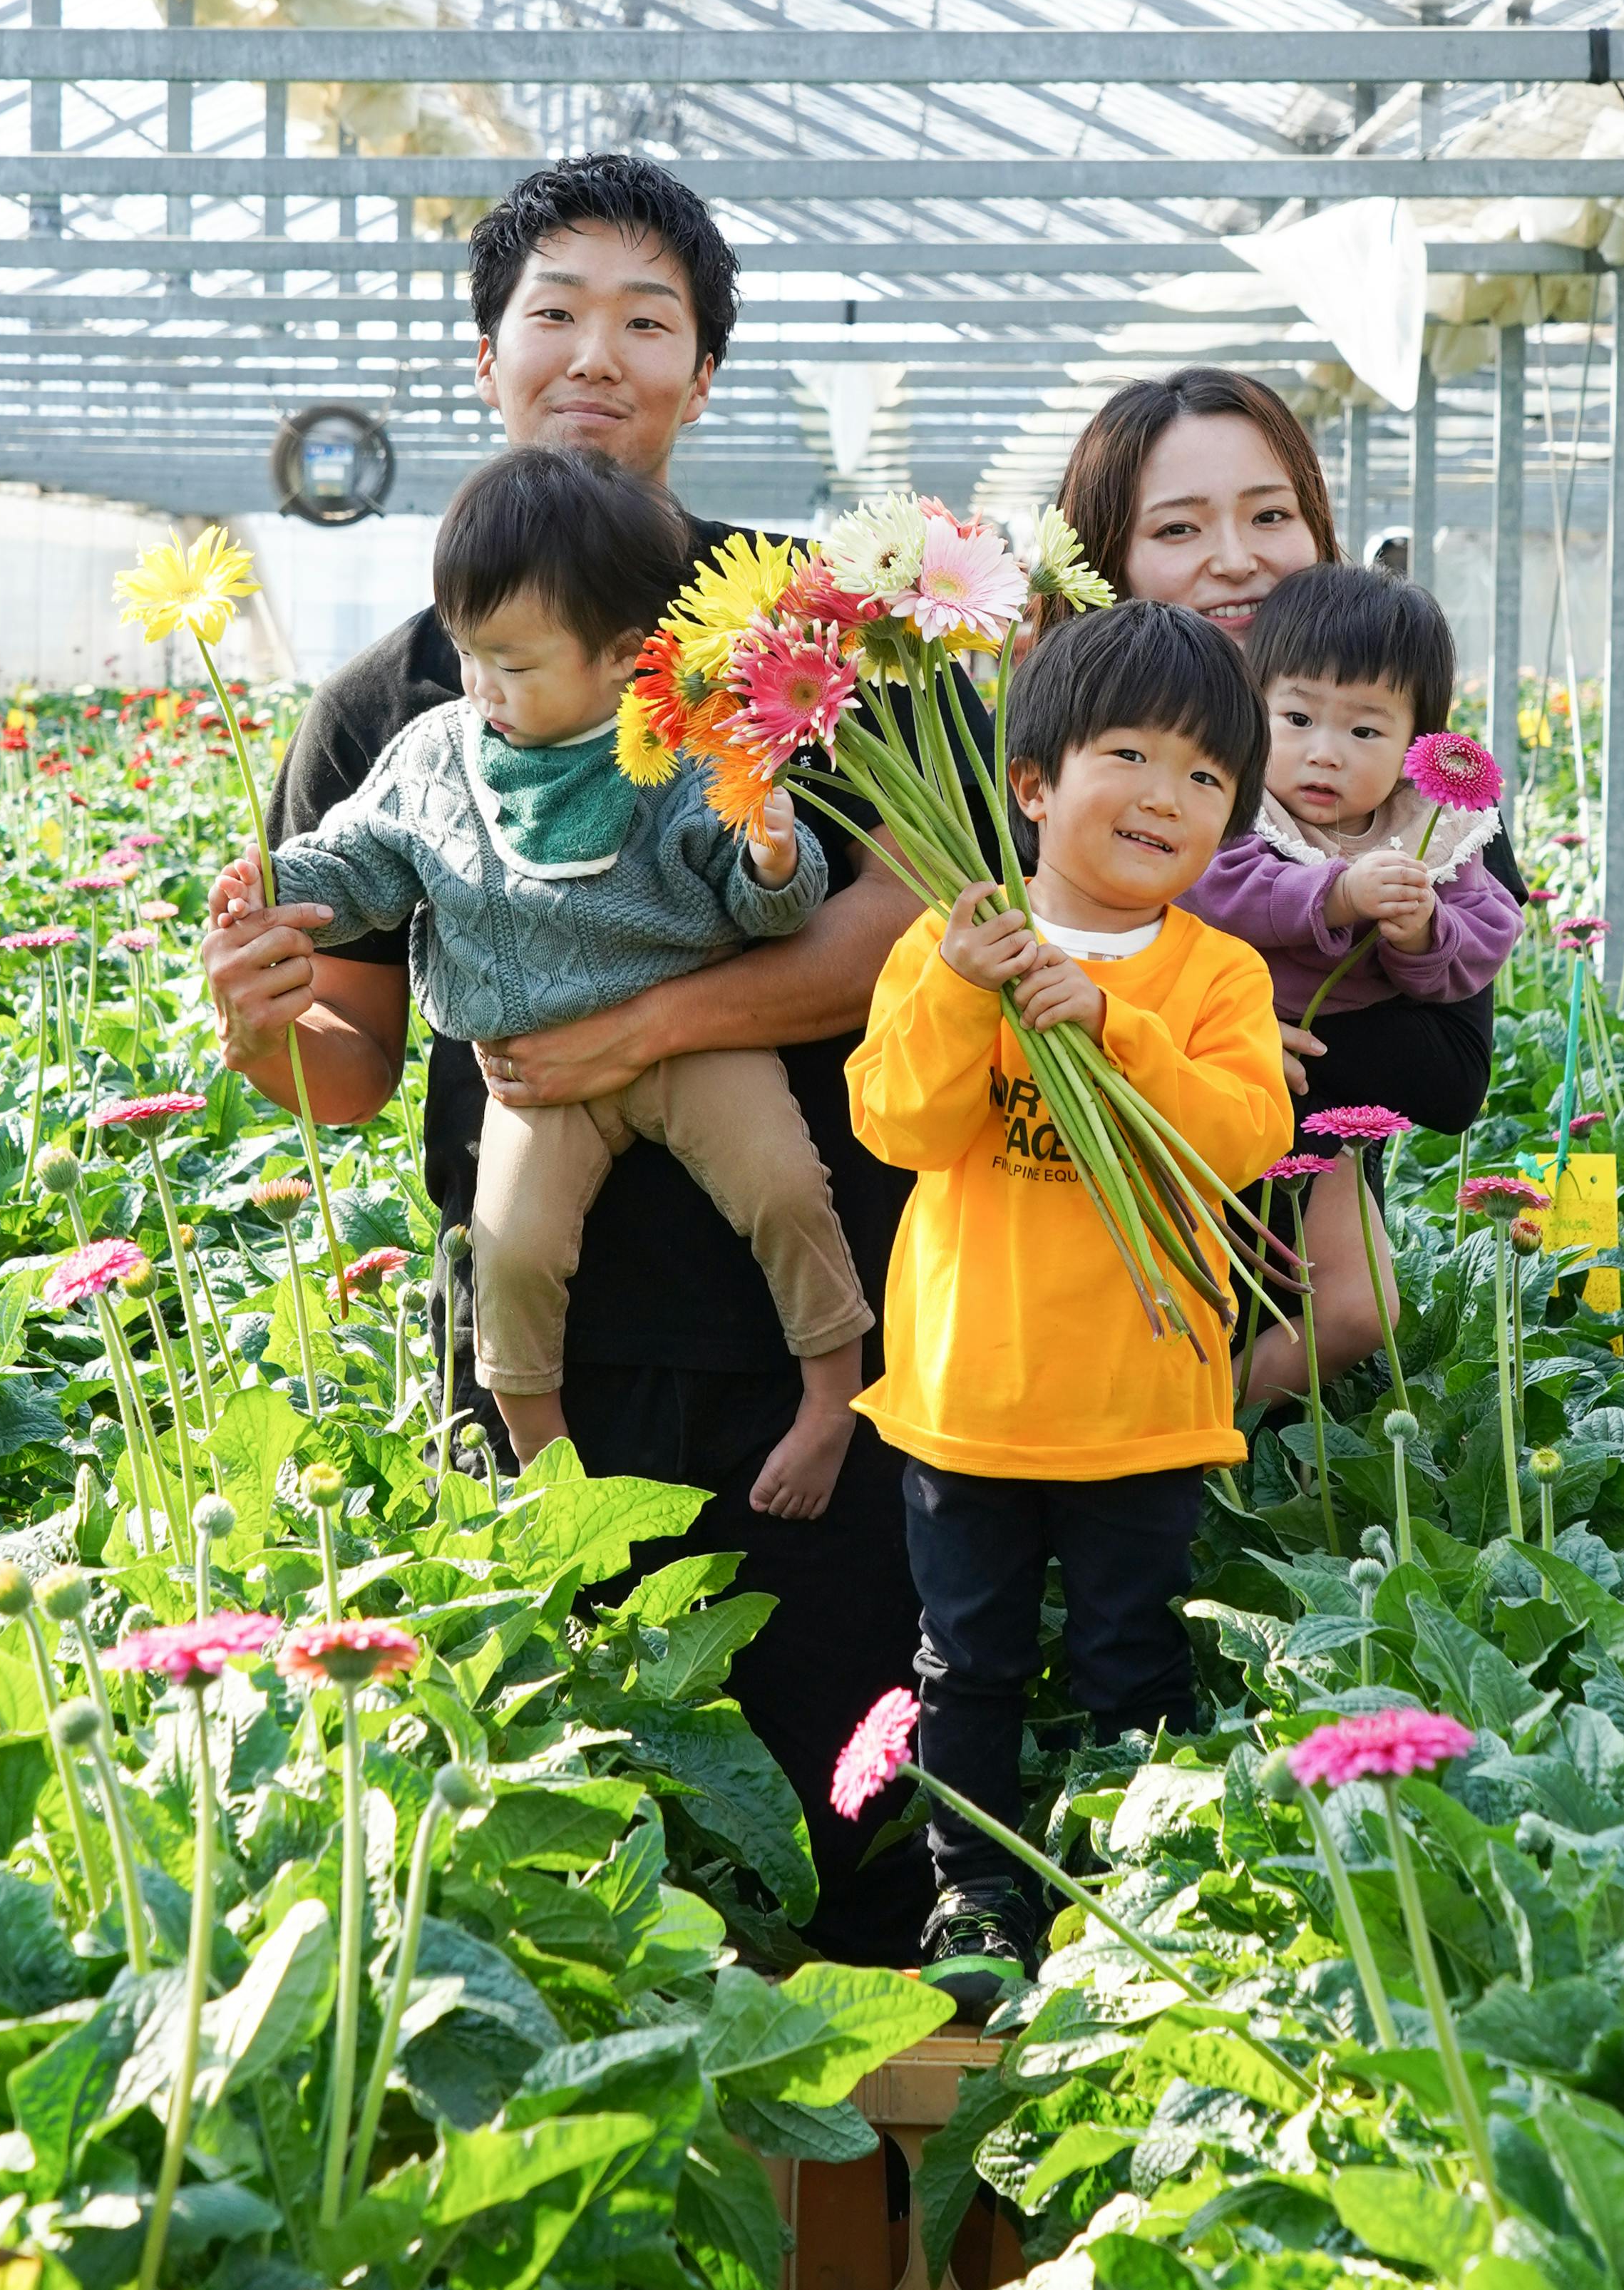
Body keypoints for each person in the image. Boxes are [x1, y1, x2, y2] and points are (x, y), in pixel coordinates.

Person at [199, 151, 933, 1964]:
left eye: (646, 318)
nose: (595, 351)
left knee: (851, 1831)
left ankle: (841, 2221)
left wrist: (650, 1024)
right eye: (554, 312)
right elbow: (350, 1066)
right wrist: (257, 1021)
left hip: (835, 1321)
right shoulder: (398, 694)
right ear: (485, 358)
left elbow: (912, 917)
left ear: (702, 372)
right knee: (576, 1839)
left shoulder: (818, 635)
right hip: (546, 1358)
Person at [213, 443, 872, 1516]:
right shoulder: (436, 754)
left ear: (622, 658)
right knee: (510, 1253)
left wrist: (771, 859)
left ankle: (831, 1393)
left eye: (513, 665)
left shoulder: (687, 750)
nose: (481, 686)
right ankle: (541, 1452)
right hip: (532, 1072)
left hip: (703, 1045)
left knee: (787, 1193)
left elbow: (768, 915)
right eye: (470, 653)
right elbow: (367, 861)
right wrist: (277, 884)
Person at [846, 602, 1294, 2017]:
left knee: (1133, 1663)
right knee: (962, 1665)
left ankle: (1130, 1894)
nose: (1167, 795)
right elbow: (899, 1125)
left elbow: (1240, 1135)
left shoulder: (1213, 975)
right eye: (1129, 755)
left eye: (1206, 778)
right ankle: (971, 1897)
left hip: (1144, 1405)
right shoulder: (951, 939)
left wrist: (1114, 1028)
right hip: (967, 1402)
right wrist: (968, 1001)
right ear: (1033, 784)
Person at [1046, 364, 1528, 1368]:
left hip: (1293, 1279)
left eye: (1269, 515)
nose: (1235, 561)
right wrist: (1201, 1025)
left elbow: (1443, 1079)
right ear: (1106, 560)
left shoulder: (1416, 793)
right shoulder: (1043, 762)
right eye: (1177, 530)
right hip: (1063, 1252)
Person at [1184, 565, 1522, 1391]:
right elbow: (1216, 890)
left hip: (1325, 1119)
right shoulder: (1232, 802)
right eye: (1296, 718)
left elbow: (1478, 948)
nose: (1323, 753)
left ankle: (1214, 1414)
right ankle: (1169, 1416)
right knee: (1183, 1291)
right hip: (1199, 1090)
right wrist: (1335, 893)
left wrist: (1420, 930)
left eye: (1366, 733)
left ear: (1420, 746)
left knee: (1359, 1312)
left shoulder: (1435, 834)